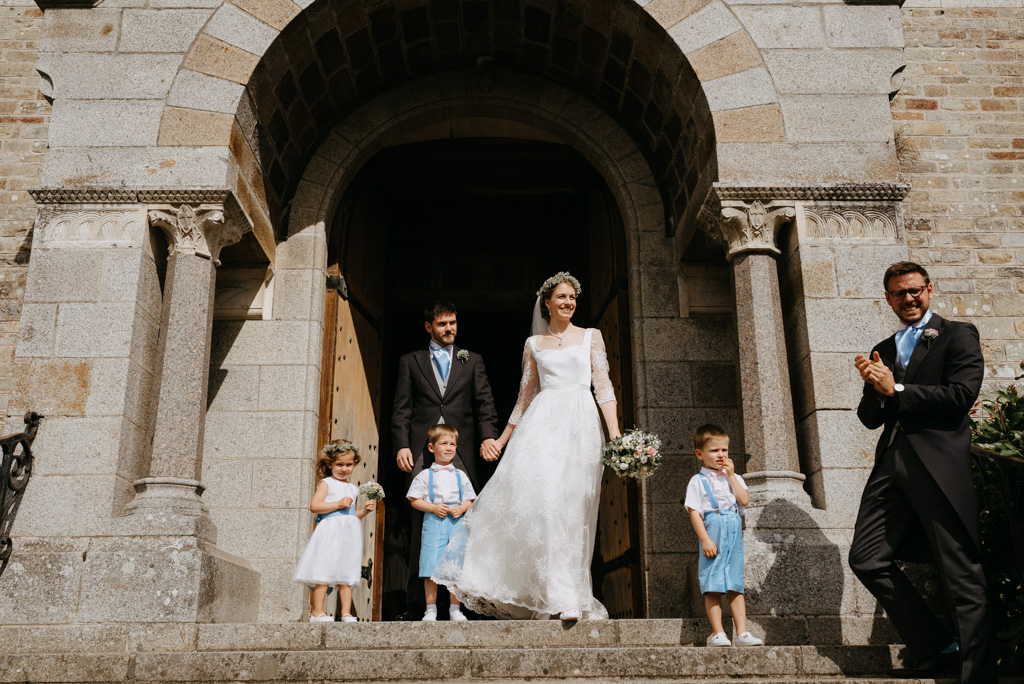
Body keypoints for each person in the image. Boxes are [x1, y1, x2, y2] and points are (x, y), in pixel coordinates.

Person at [433, 272, 620, 621]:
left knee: (574, 510)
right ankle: (559, 597)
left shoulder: (591, 337)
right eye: (561, 297)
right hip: (543, 426)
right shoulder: (533, 345)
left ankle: (576, 593)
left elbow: (604, 388)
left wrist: (615, 436)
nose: (568, 302)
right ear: (546, 303)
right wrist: (502, 440)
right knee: (545, 506)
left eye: (572, 297)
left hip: (581, 425)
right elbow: (524, 398)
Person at [849, 261, 993, 682]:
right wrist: (877, 388)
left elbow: (961, 395)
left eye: (914, 291)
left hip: (937, 463)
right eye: (899, 293)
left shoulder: (957, 334)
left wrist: (896, 388)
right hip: (892, 463)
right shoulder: (885, 347)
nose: (908, 299)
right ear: (888, 299)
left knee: (959, 570)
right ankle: (935, 645)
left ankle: (978, 674)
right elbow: (869, 417)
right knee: (867, 557)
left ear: (929, 290)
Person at [391, 299, 499, 615]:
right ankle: (418, 604)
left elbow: (484, 404)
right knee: (420, 521)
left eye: (453, 322)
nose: (449, 328)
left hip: (461, 451)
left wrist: (489, 435)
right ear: (429, 327)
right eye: (442, 324)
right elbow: (402, 409)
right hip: (422, 452)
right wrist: (401, 444)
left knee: (465, 526)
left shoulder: (472, 360)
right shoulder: (410, 361)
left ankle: (461, 604)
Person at [684, 424, 763, 647]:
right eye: (714, 451)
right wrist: (705, 539)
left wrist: (730, 477)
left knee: (735, 583)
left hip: (733, 528)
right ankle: (718, 633)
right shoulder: (698, 481)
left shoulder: (734, 477)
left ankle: (742, 633)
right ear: (700, 454)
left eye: (724, 450)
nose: (721, 455)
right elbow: (694, 512)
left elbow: (744, 500)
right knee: (713, 582)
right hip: (714, 529)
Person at [292, 440, 376, 623]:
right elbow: (315, 506)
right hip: (330, 532)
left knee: (346, 573)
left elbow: (351, 514)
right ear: (329, 464)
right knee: (324, 570)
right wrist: (337, 503)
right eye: (339, 464)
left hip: (349, 535)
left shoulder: (353, 488)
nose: (344, 469)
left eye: (348, 464)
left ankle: (346, 613)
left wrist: (364, 511)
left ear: (354, 464)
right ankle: (317, 612)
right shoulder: (327, 483)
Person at [406, 424, 477, 622]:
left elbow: (470, 498)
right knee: (430, 565)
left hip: (455, 523)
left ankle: (455, 608)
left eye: (452, 444)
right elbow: (414, 500)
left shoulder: (460, 475)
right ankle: (431, 609)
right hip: (433, 521)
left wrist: (461, 508)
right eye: (444, 443)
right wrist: (432, 508)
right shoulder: (425, 475)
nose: (449, 448)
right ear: (431, 448)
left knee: (455, 564)